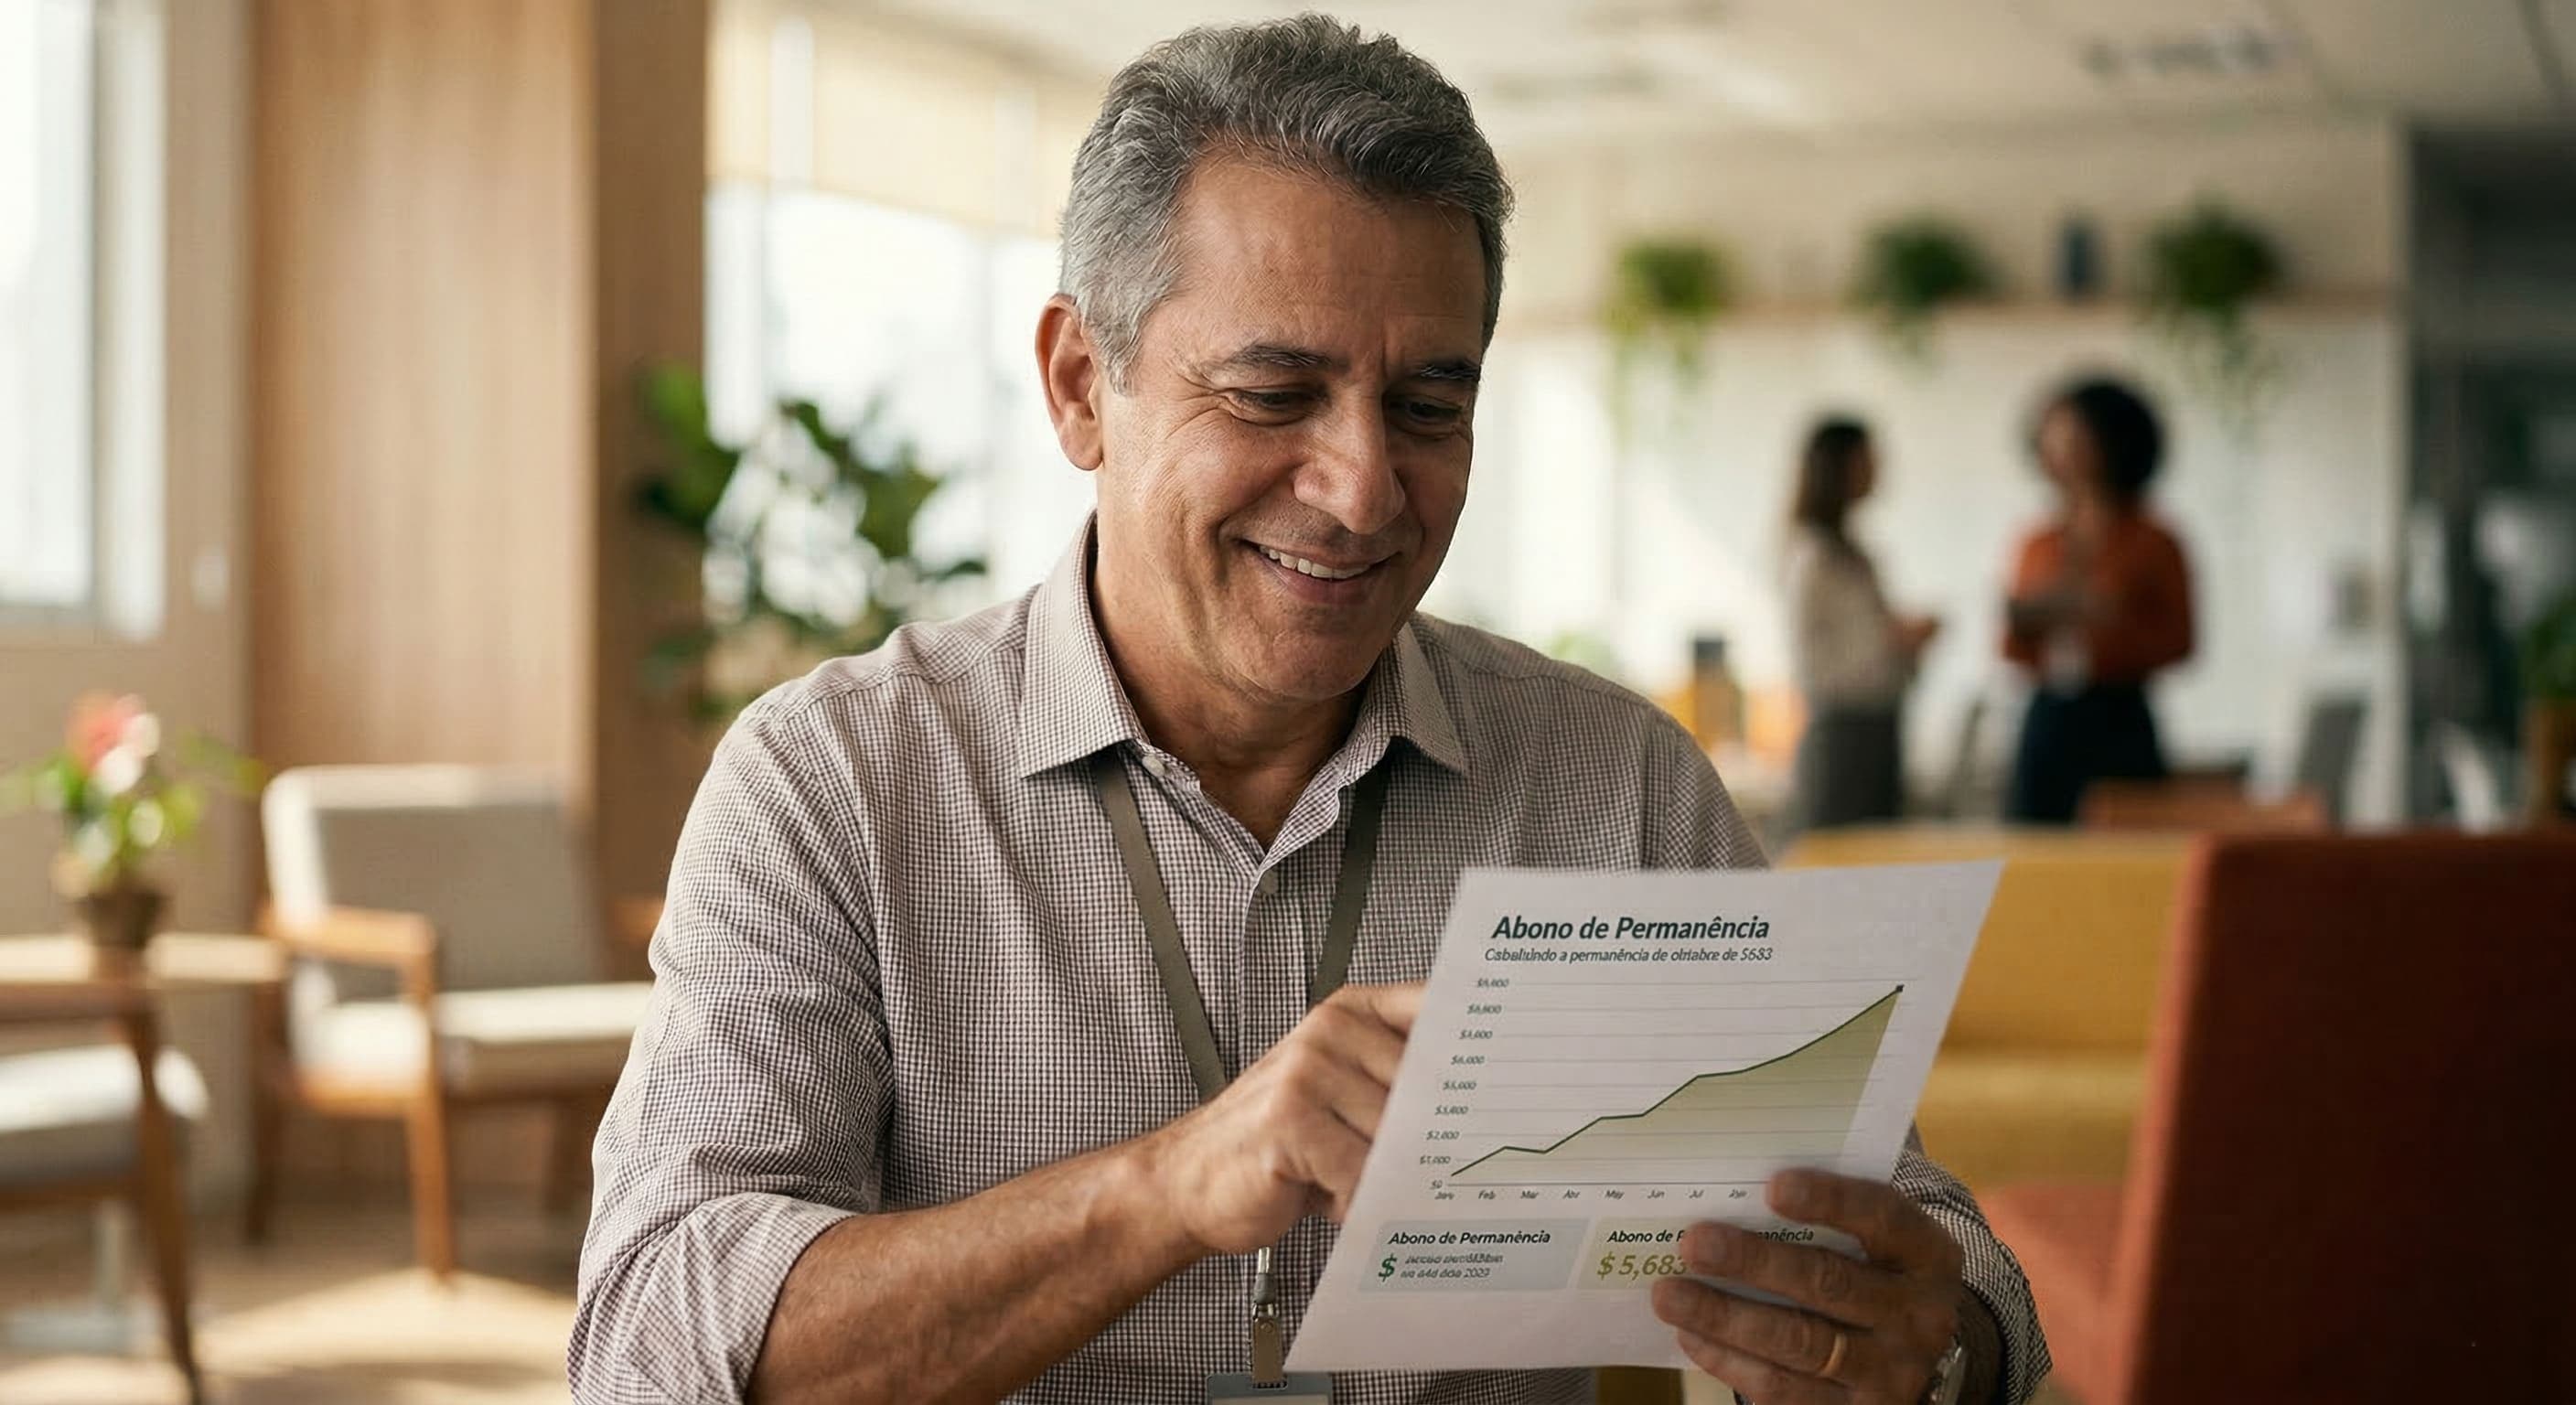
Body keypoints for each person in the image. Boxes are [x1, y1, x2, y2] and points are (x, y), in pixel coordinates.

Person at [572, 18, 2046, 1405]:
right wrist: (1160, 1194)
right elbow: (650, 1335)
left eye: (1428, 408)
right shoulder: (833, 781)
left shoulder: (1616, 786)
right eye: (1275, 393)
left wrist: (1942, 1344)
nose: (1361, 491)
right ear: (1084, 384)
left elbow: (1931, 1250)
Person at [2001, 376, 2195, 823]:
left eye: (2075, 436)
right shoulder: (2038, 542)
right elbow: (2010, 647)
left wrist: (2107, 622)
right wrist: (2035, 619)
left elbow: (2181, 640)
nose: (2063, 451)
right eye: (2054, 437)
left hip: (2121, 716)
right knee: (2035, 849)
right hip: (2048, 715)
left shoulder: (2154, 540)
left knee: (2127, 841)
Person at [1783, 416, 1940, 830]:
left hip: (1876, 727)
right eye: (1868, 461)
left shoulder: (1853, 553)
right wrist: (1897, 641)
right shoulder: (1813, 557)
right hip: (1843, 734)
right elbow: (1817, 665)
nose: (1877, 472)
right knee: (1840, 867)